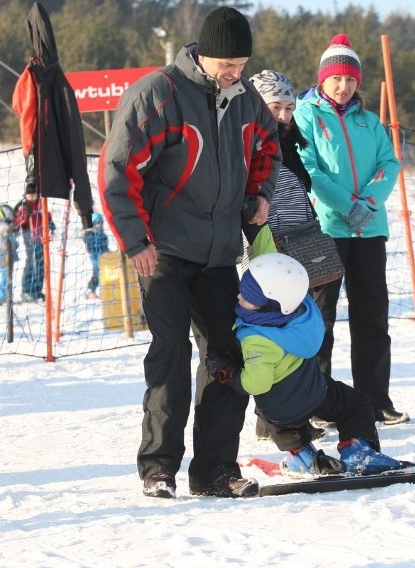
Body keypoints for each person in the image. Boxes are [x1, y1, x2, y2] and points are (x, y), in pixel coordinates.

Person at [99, 7, 281, 498]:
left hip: (220, 254)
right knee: (170, 357)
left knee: (227, 358)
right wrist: (135, 241)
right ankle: (159, 467)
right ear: (203, 54)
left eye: (241, 64)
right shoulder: (159, 93)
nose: (235, 73)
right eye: (228, 63)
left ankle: (215, 470)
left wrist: (259, 195)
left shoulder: (244, 100)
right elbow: (118, 170)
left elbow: (269, 147)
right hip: (164, 252)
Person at [205, 253, 415, 477]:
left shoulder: (255, 338)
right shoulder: (302, 316)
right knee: (355, 406)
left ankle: (302, 457)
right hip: (314, 393)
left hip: (277, 414)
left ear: (266, 306)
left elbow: (256, 383)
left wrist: (228, 373)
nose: (239, 295)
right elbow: (291, 289)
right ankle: (359, 454)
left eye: (248, 295)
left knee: (280, 420)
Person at [293, 33, 408, 425]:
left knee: (372, 315)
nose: (344, 88)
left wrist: (369, 204)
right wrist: (347, 205)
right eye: (336, 80)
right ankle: (319, 402)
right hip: (327, 228)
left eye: (351, 81)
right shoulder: (306, 116)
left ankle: (375, 399)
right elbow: (309, 169)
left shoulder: (369, 121)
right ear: (323, 80)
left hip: (370, 230)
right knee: (320, 317)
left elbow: (389, 165)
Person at [246, 69, 326, 442]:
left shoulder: (289, 148)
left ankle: (300, 412)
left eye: (289, 107)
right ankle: (272, 420)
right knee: (269, 337)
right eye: (275, 106)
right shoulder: (248, 147)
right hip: (266, 259)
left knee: (298, 335)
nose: (283, 116)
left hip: (300, 253)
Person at [13, 187, 52, 304]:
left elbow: (47, 217)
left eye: (33, 195)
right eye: (29, 195)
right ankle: (27, 290)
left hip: (41, 236)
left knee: (41, 263)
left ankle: (37, 290)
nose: (32, 197)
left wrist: (51, 225)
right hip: (29, 236)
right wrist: (24, 216)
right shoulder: (22, 206)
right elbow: (16, 222)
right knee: (32, 261)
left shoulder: (40, 203)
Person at [0, 204, 19, 307]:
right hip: (5, 255)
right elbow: (5, 242)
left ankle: (7, 296)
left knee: (8, 276)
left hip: (8, 254)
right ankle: (1, 297)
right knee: (5, 276)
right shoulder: (2, 226)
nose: (12, 216)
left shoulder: (7, 225)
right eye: (10, 214)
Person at [83, 212, 109, 300]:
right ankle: (91, 291)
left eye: (100, 223)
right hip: (95, 258)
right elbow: (89, 247)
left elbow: (106, 246)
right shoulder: (90, 235)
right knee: (97, 274)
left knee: (106, 274)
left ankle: (105, 291)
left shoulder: (103, 235)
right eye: (95, 223)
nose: (98, 225)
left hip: (105, 257)